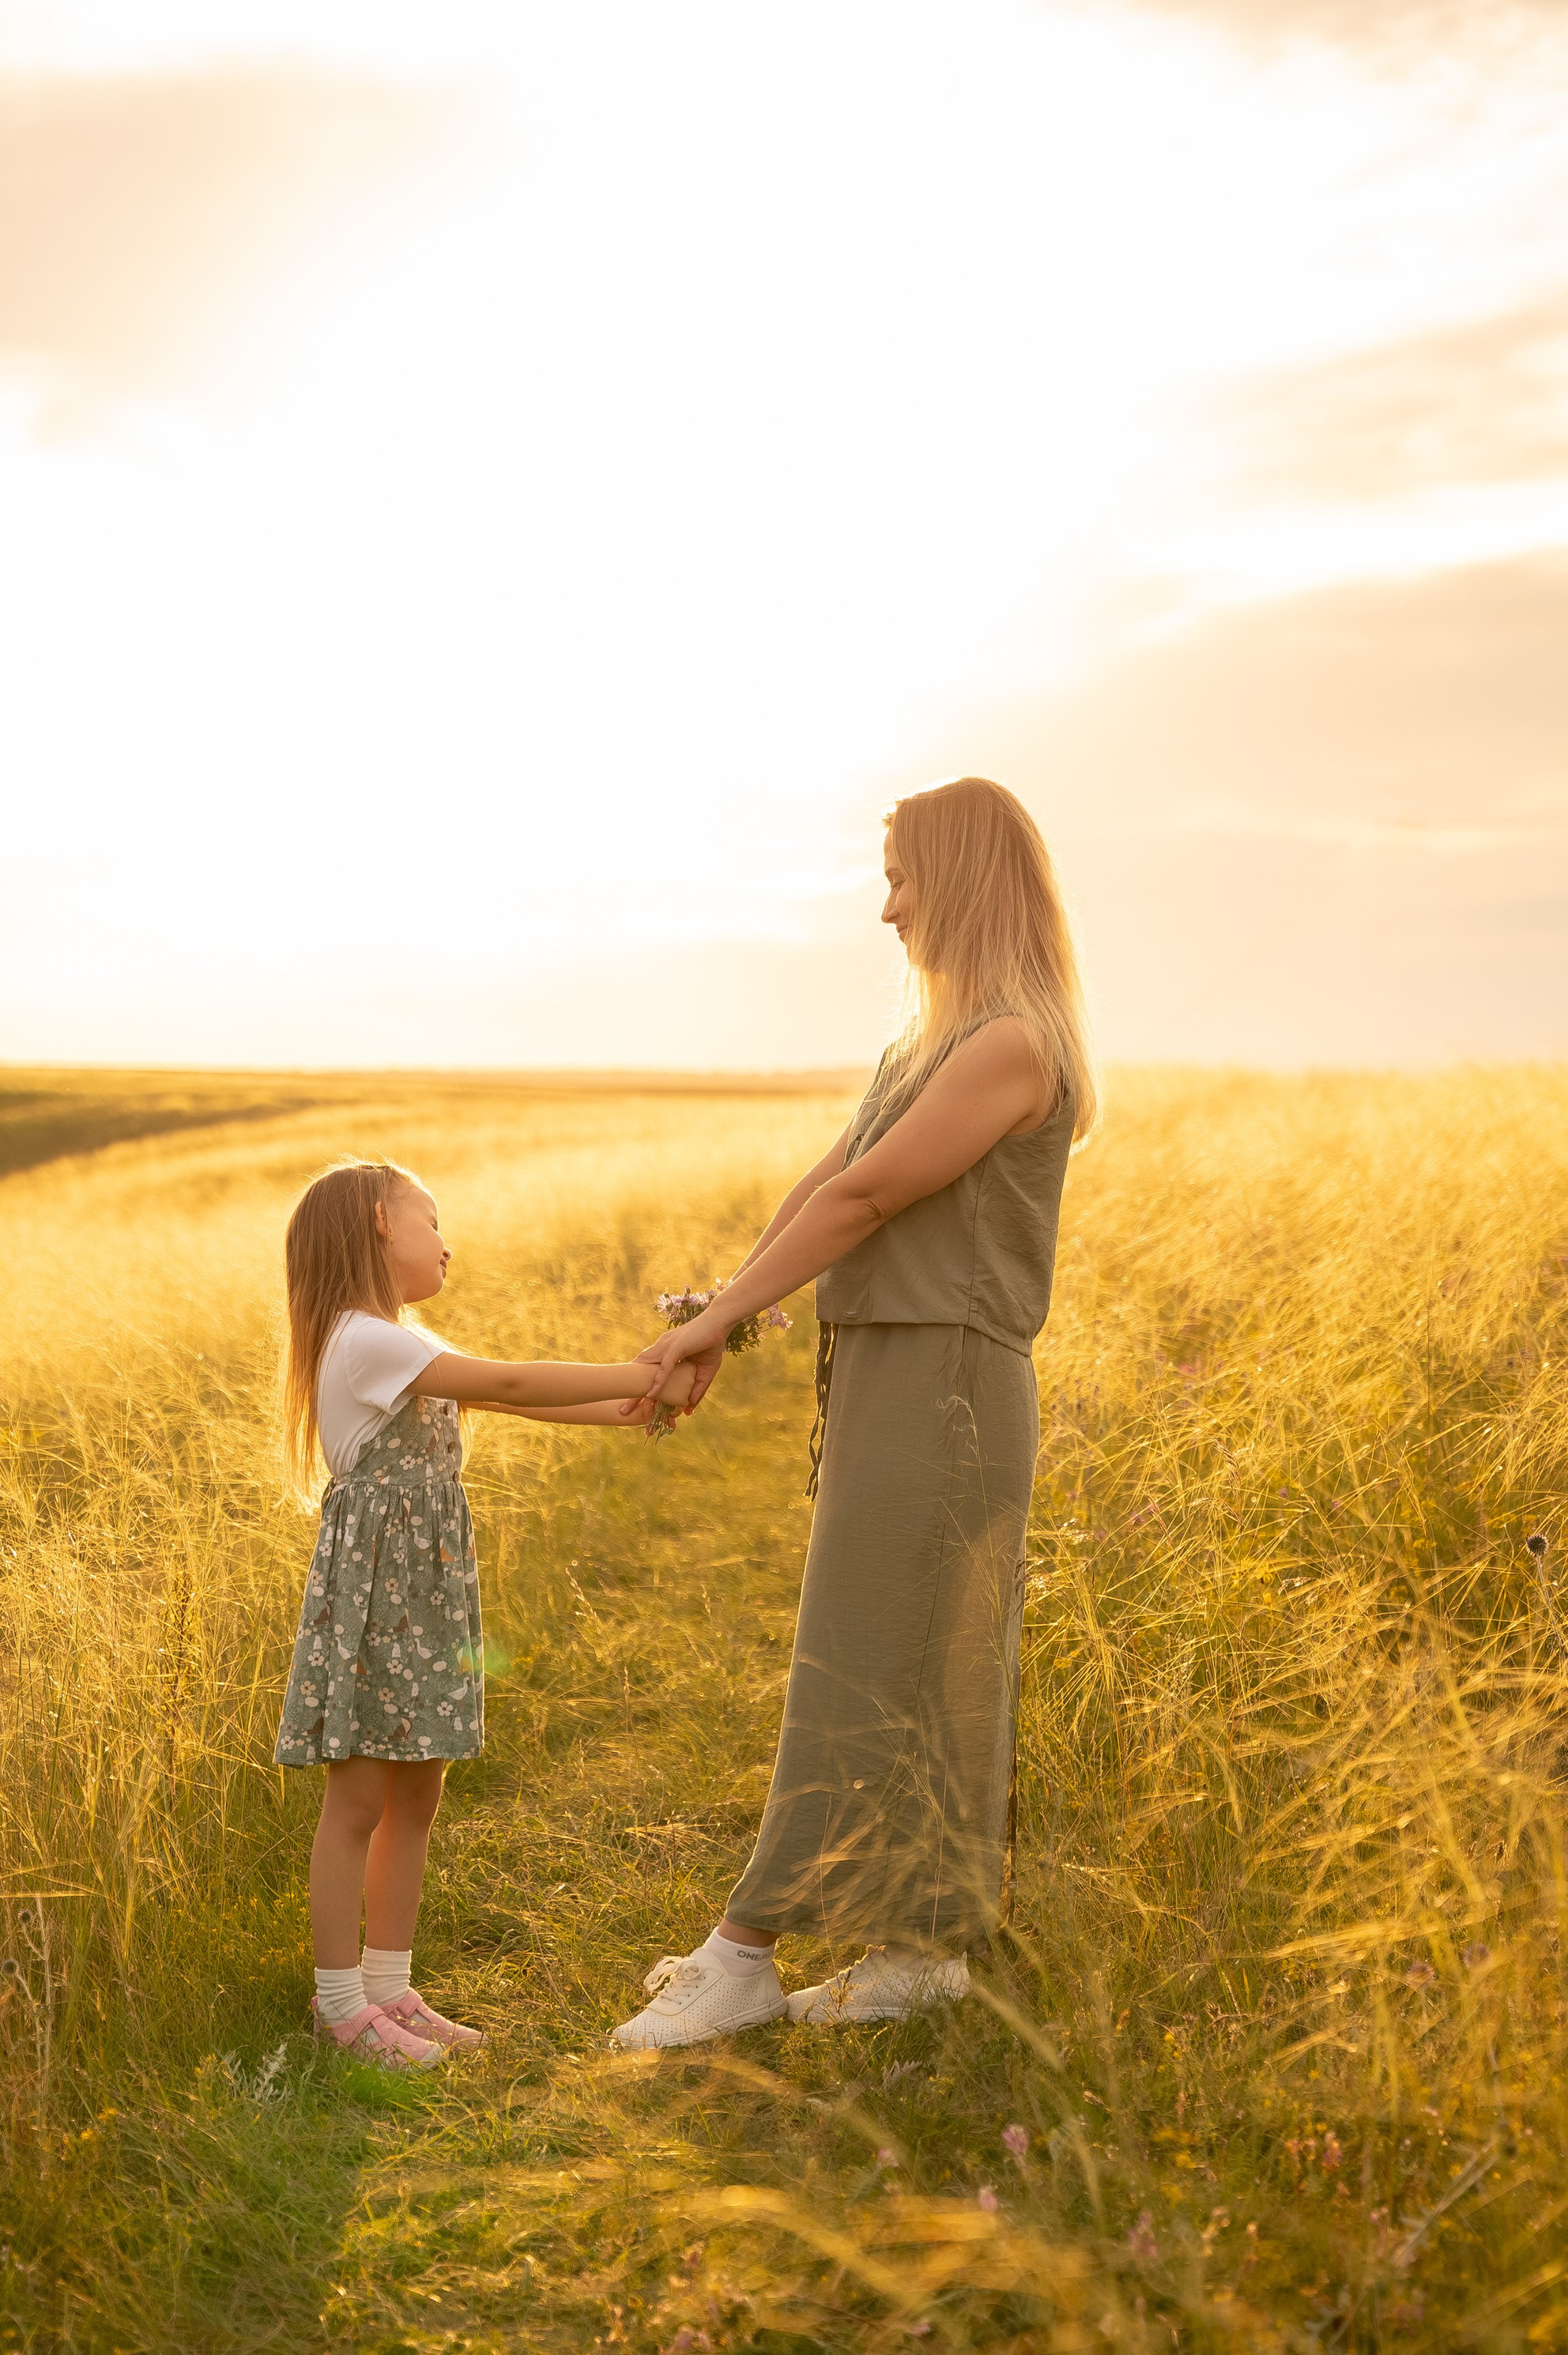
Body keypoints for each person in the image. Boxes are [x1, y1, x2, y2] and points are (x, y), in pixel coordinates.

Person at [606, 775, 1097, 2048]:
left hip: (952, 1385)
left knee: (863, 1666)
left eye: (902, 878)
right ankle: (919, 1953)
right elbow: (823, 1184)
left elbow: (867, 1202)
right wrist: (728, 1310)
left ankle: (746, 1951)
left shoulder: (1011, 1045)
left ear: (962, 880)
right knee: (912, 1664)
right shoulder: (923, 1049)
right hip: (893, 1373)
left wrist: (714, 1323)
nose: (887, 910)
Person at [275, 1159, 695, 2069]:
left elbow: (515, 1405)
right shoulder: (362, 1339)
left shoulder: (400, 1337)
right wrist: (642, 1366)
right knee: (356, 1797)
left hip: (420, 1589)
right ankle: (340, 2009)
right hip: (378, 1593)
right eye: (431, 1220)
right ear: (380, 1226)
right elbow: (508, 1383)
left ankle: (390, 1991)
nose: (446, 1240)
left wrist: (631, 1408)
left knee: (417, 1788)